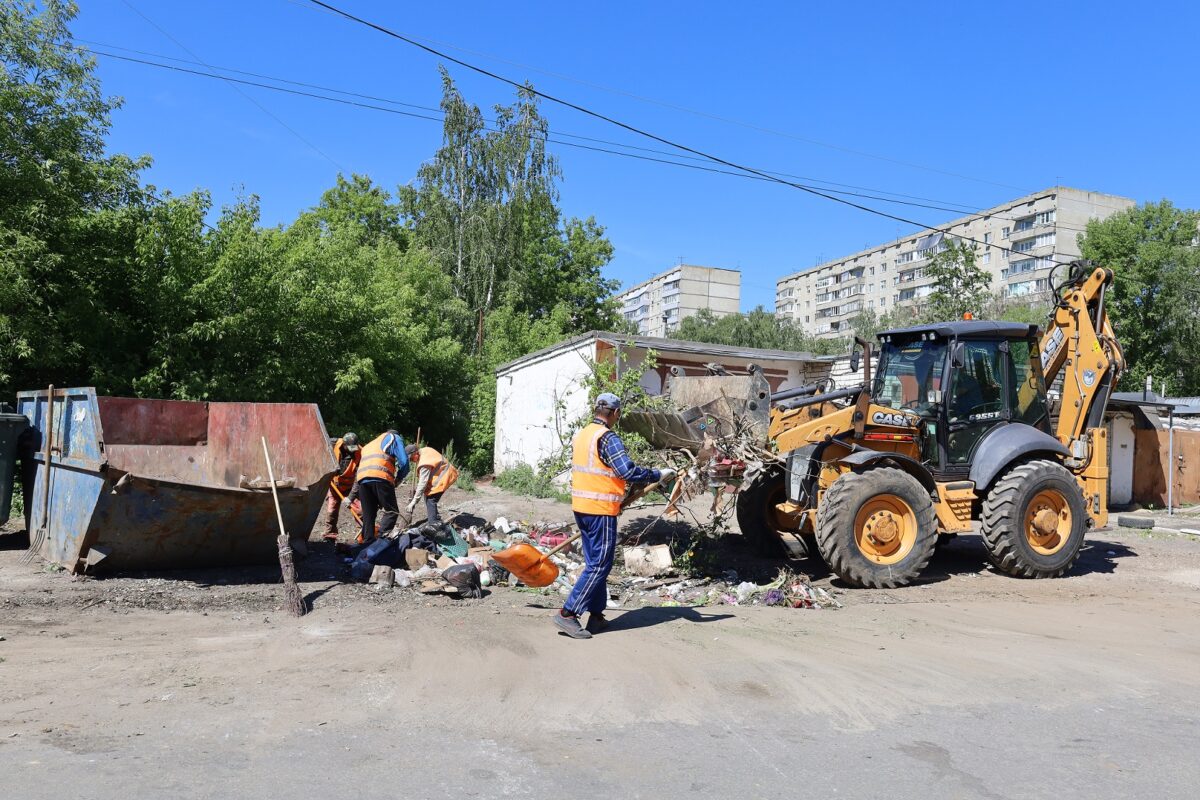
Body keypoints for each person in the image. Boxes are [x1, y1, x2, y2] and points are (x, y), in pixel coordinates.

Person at [555, 393, 675, 640]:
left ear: (596, 409)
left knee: (594, 563)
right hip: (600, 511)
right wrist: (657, 474)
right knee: (600, 564)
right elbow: (626, 471)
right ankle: (568, 613)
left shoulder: (584, 434)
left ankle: (596, 616)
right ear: (616, 413)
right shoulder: (607, 438)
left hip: (582, 507)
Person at [355, 429, 410, 546]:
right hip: (380, 476)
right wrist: (398, 479)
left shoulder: (370, 444)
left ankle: (367, 544)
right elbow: (404, 462)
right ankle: (380, 540)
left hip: (362, 479)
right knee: (392, 511)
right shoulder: (394, 437)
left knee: (368, 514)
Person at [405, 444, 460, 524]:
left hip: (446, 475)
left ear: (416, 453)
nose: (411, 461)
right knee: (427, 495)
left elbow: (422, 483)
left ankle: (433, 524)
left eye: (411, 458)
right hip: (443, 473)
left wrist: (414, 501)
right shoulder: (424, 450)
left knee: (431, 499)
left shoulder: (424, 463)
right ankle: (435, 518)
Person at [322, 432, 361, 542]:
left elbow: (358, 479)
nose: (353, 450)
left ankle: (363, 534)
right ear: (344, 445)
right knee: (332, 510)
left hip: (350, 486)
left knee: (360, 510)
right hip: (335, 486)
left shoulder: (360, 453)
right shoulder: (333, 444)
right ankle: (329, 535)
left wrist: (351, 497)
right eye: (350, 448)